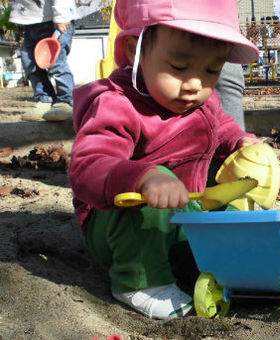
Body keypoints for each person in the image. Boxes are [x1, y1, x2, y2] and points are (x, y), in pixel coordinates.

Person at [68, 0, 259, 320]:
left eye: (212, 69)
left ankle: (233, 271)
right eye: (179, 67)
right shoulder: (116, 104)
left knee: (232, 204)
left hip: (185, 216)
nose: (196, 84)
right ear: (135, 50)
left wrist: (244, 144)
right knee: (149, 196)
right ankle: (139, 281)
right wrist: (143, 177)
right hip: (121, 230)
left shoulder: (203, 101)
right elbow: (88, 166)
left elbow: (222, 128)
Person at [8, 0, 77, 122]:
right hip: (30, 21)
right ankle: (45, 99)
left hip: (55, 20)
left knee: (57, 63)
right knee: (29, 62)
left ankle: (67, 101)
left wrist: (62, 15)